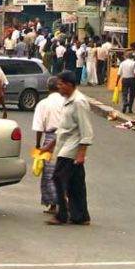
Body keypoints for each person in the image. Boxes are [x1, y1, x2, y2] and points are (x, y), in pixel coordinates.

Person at [40, 71, 93, 226]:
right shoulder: (68, 101)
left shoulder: (79, 102)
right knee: (75, 183)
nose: (59, 87)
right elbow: (64, 128)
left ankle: (62, 214)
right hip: (65, 145)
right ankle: (81, 216)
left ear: (70, 85)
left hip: (72, 148)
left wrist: (82, 153)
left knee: (58, 177)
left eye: (61, 84)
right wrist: (49, 146)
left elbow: (86, 129)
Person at [32, 76, 65, 214]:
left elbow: (39, 127)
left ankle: (53, 204)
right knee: (64, 170)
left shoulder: (43, 104)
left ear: (48, 88)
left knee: (49, 173)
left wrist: (39, 144)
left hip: (50, 137)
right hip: (66, 138)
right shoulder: (66, 101)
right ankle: (64, 201)